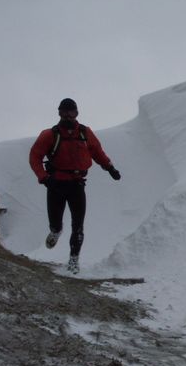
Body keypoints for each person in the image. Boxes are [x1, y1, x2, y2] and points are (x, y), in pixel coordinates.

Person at [29, 98, 121, 274]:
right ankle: (55, 232)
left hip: (77, 185)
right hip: (55, 184)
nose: (69, 116)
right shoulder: (49, 135)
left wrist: (110, 168)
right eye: (65, 112)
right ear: (59, 113)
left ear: (77, 113)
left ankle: (73, 260)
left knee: (78, 226)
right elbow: (35, 156)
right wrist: (44, 178)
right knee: (55, 222)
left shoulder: (85, 133)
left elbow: (97, 152)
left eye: (72, 112)